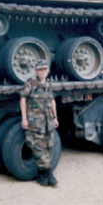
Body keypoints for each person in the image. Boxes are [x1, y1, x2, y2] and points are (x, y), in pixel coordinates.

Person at [20, 59, 59, 187]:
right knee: (39, 148)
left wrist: (55, 117)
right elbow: (23, 99)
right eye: (40, 69)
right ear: (36, 71)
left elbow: (52, 101)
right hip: (35, 123)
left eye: (44, 69)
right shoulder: (31, 83)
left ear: (48, 70)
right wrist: (24, 119)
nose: (42, 72)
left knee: (48, 146)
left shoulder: (49, 84)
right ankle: (49, 174)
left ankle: (41, 177)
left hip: (48, 122)